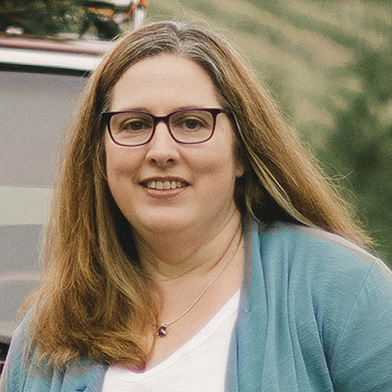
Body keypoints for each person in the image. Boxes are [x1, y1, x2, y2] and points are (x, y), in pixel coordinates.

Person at [1, 20, 392, 391]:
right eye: (134, 124)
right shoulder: (46, 335)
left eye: (191, 123)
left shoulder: (343, 292)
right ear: (100, 157)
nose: (161, 150)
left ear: (241, 151)